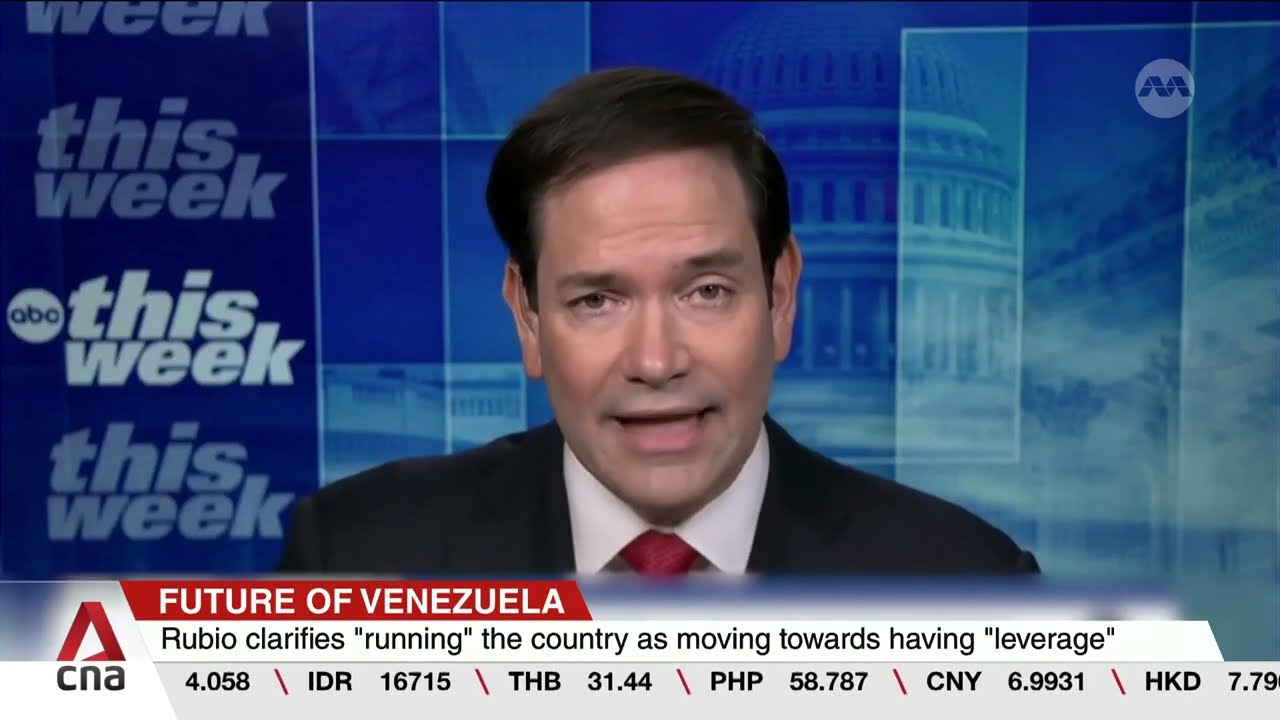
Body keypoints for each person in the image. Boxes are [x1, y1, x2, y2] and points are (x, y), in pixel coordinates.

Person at [276, 67, 1039, 577]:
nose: (655, 360)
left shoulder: (965, 585)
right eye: (596, 301)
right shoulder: (356, 557)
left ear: (779, 296)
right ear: (528, 317)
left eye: (705, 291)